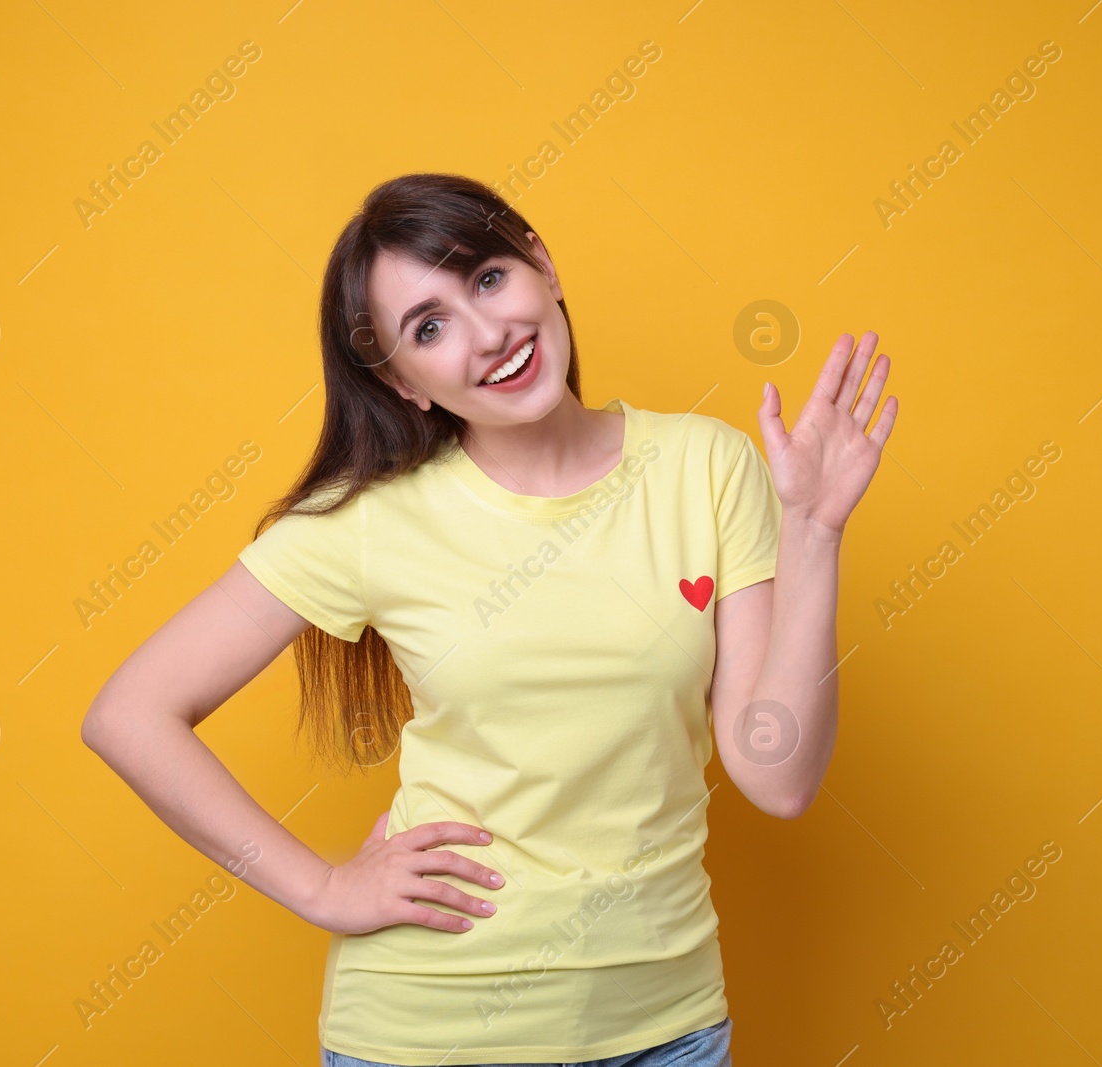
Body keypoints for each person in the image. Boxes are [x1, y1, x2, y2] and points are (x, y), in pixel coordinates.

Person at [81, 172, 898, 1066]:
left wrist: (813, 532)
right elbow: (129, 714)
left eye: (488, 279)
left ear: (542, 267)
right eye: (428, 328)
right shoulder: (373, 520)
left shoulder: (706, 467)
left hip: (667, 1028)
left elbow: (777, 778)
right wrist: (322, 887)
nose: (488, 335)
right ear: (404, 380)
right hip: (427, 1036)